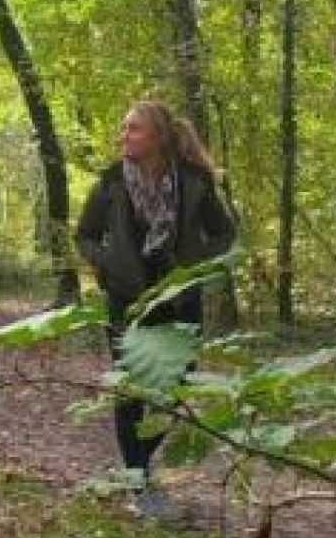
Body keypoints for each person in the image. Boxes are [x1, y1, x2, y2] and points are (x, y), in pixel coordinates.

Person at [74, 100, 237, 508]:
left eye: (133, 129)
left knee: (174, 388)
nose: (123, 136)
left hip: (180, 300)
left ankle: (137, 468)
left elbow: (224, 234)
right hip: (127, 301)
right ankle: (139, 481)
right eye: (124, 128)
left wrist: (196, 267)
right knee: (130, 390)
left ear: (158, 137)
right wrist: (109, 264)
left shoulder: (195, 181)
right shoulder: (111, 182)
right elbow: (85, 235)